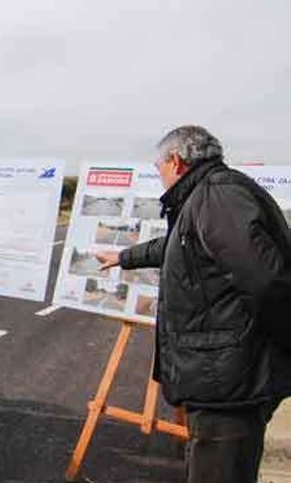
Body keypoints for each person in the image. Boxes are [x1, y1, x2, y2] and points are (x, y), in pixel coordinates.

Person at [96, 125, 291, 483]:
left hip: (230, 383)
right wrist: (123, 256)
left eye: (159, 168)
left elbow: (268, 283)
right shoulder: (206, 196)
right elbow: (175, 246)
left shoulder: (217, 198)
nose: (160, 177)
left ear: (176, 160)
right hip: (225, 375)